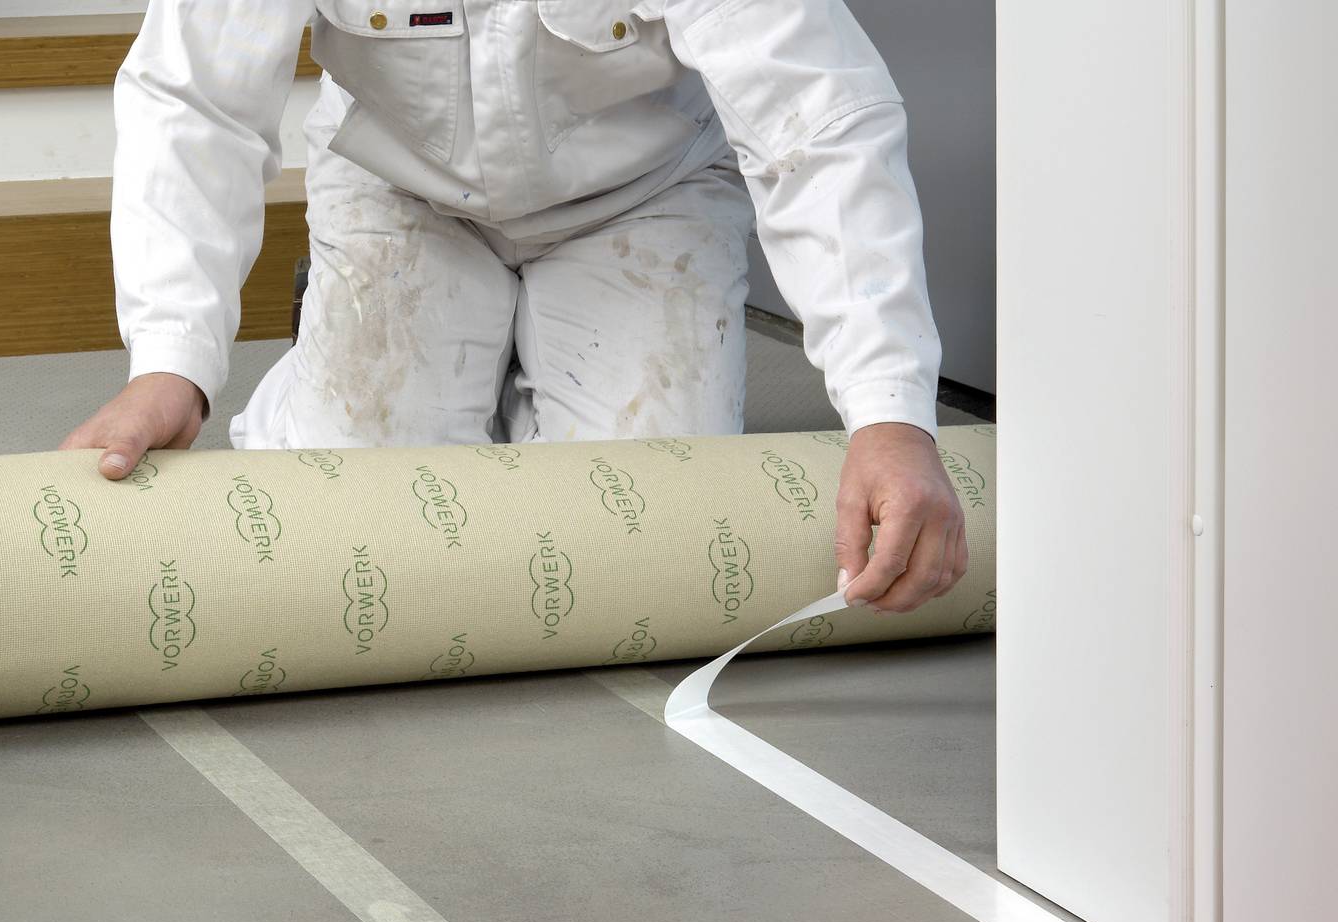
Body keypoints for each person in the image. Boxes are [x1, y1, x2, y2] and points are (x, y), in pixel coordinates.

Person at [62, 0, 967, 613]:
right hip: (404, 185)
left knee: (635, 547)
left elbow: (815, 116)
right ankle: (357, 351)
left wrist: (890, 413)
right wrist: (170, 363)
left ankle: (502, 360)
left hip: (642, 190)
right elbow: (195, 101)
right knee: (364, 527)